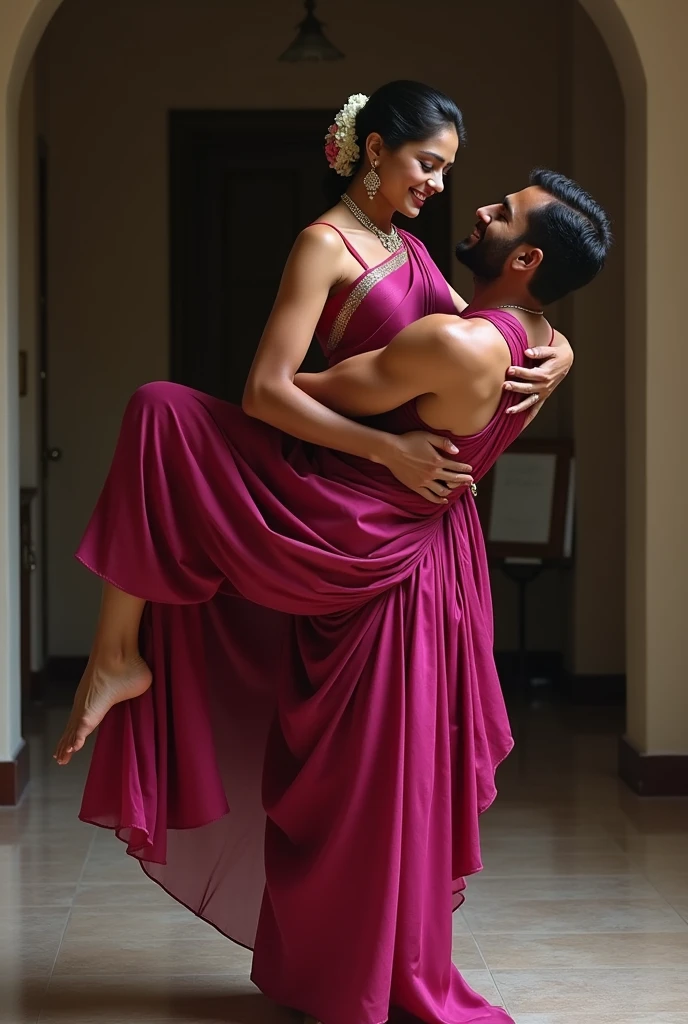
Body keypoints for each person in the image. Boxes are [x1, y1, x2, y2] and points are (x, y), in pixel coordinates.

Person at [51, 86, 607, 1024]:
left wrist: (560, 346)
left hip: (395, 534)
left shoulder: (429, 269)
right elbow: (273, 391)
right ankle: (118, 653)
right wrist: (394, 443)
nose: (446, 185)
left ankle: (352, 970)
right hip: (365, 492)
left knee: (374, 782)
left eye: (457, 174)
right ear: (375, 150)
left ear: (523, 257)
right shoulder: (331, 245)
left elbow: (481, 337)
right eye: (429, 162)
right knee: (160, 411)